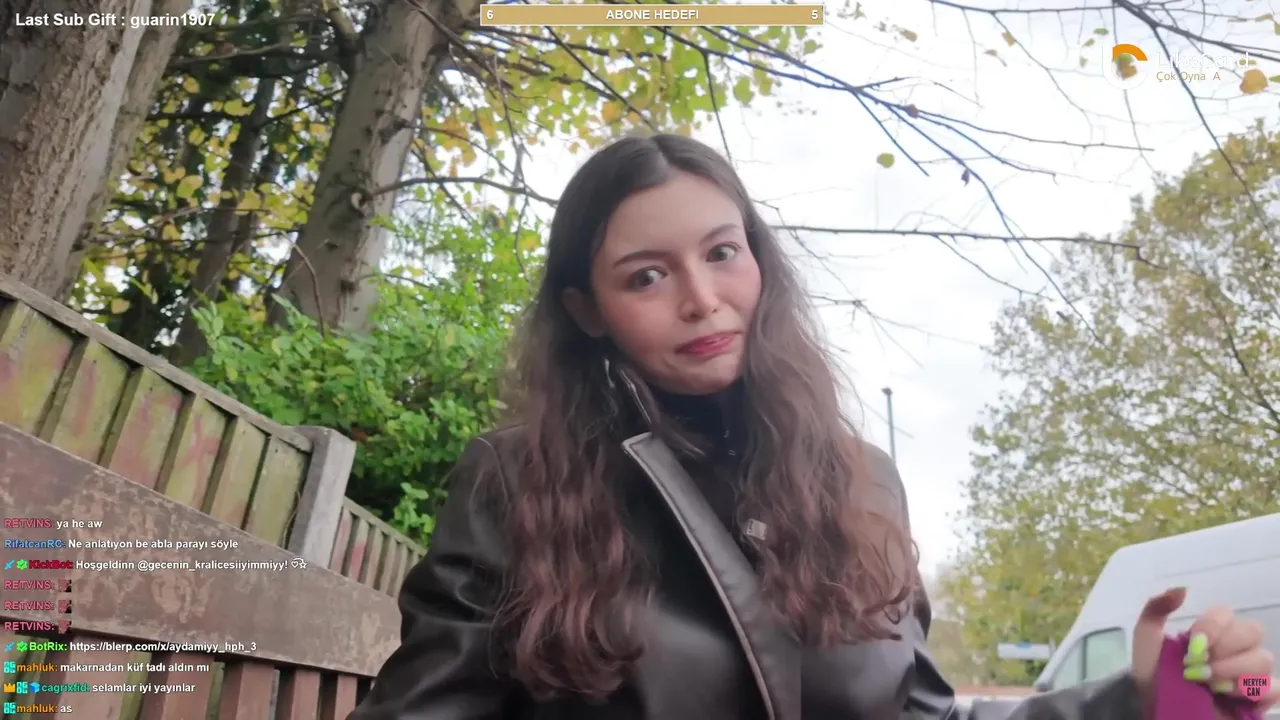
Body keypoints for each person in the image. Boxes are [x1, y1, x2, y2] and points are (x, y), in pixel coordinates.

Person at [348, 134, 1274, 720]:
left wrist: (1138, 697)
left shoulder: (860, 481)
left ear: (760, 262)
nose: (702, 298)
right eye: (647, 276)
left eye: (722, 253)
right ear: (587, 310)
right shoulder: (519, 479)